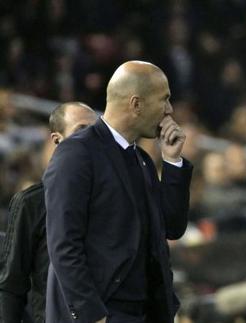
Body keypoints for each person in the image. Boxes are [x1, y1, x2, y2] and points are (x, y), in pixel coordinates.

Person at [43, 61, 193, 323]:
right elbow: (64, 244)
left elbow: (172, 226)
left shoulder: (142, 160)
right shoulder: (77, 153)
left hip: (144, 311)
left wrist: (172, 162)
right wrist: (92, 314)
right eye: (164, 99)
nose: (169, 110)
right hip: (104, 311)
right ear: (136, 104)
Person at [0, 102, 97, 323]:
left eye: (97, 130)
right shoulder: (31, 203)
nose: (92, 138)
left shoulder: (115, 200)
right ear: (57, 139)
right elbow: (11, 286)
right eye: (82, 129)